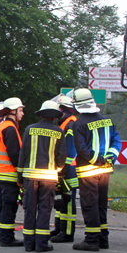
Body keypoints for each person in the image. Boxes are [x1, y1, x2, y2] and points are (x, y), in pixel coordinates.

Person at [71, 88, 122, 251]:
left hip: (88, 171)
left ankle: (91, 240)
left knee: (89, 204)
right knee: (101, 204)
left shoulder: (78, 123)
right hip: (105, 171)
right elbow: (117, 143)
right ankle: (103, 238)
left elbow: (81, 148)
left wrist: (96, 160)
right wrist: (109, 159)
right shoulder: (107, 120)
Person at [18, 100, 67, 252]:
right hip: (49, 177)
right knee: (45, 210)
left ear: (41, 114)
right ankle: (41, 244)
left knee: (30, 209)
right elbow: (61, 156)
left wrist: (20, 177)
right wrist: (57, 170)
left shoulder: (29, 129)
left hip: (30, 177)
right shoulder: (58, 131)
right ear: (54, 117)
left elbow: (23, 153)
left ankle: (28, 244)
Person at [0, 97, 25, 247]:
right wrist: (22, 173)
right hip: (9, 174)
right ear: (13, 111)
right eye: (21, 110)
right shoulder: (10, 128)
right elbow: (14, 154)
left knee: (0, 205)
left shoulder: (0, 125)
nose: (23, 113)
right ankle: (7, 238)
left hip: (0, 174)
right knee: (9, 207)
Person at [51, 95, 79, 243]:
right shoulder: (64, 123)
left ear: (63, 109)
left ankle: (67, 233)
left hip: (69, 170)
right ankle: (59, 228)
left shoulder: (70, 124)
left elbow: (70, 151)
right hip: (63, 169)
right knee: (61, 199)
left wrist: (62, 169)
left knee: (68, 200)